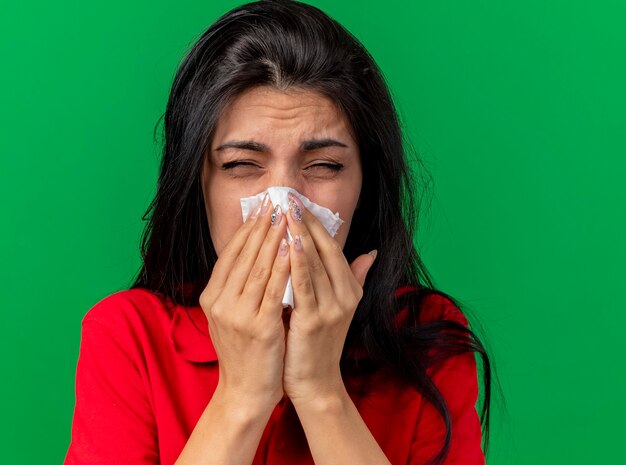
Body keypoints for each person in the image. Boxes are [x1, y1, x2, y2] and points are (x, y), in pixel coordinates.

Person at [63, 1, 494, 464]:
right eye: (242, 165)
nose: (284, 204)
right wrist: (241, 397)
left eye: (325, 165)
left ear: (365, 186)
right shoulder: (128, 337)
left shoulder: (429, 338)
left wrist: (320, 390)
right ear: (198, 186)